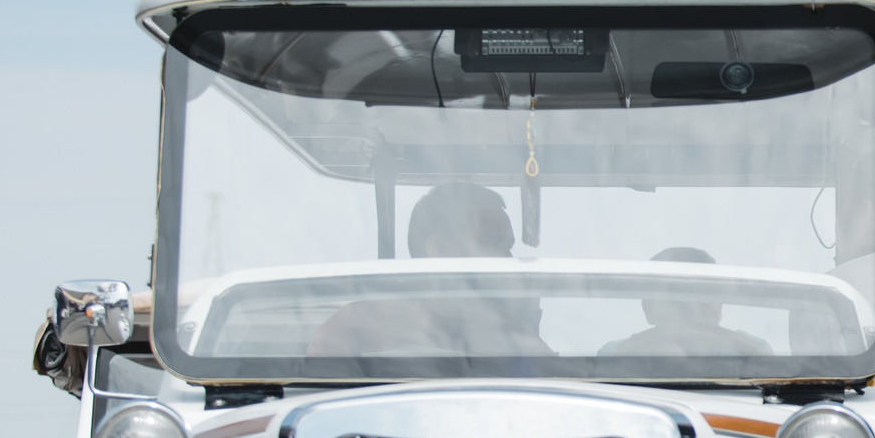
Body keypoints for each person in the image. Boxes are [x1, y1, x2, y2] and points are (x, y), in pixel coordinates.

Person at [309, 182, 554, 360]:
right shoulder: (358, 327)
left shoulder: (514, 335)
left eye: (508, 247)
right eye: (492, 242)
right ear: (439, 248)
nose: (507, 260)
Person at [600, 246, 775, 358]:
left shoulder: (753, 351)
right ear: (649, 309)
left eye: (705, 297)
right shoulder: (615, 354)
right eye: (678, 300)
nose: (693, 311)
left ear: (720, 305)